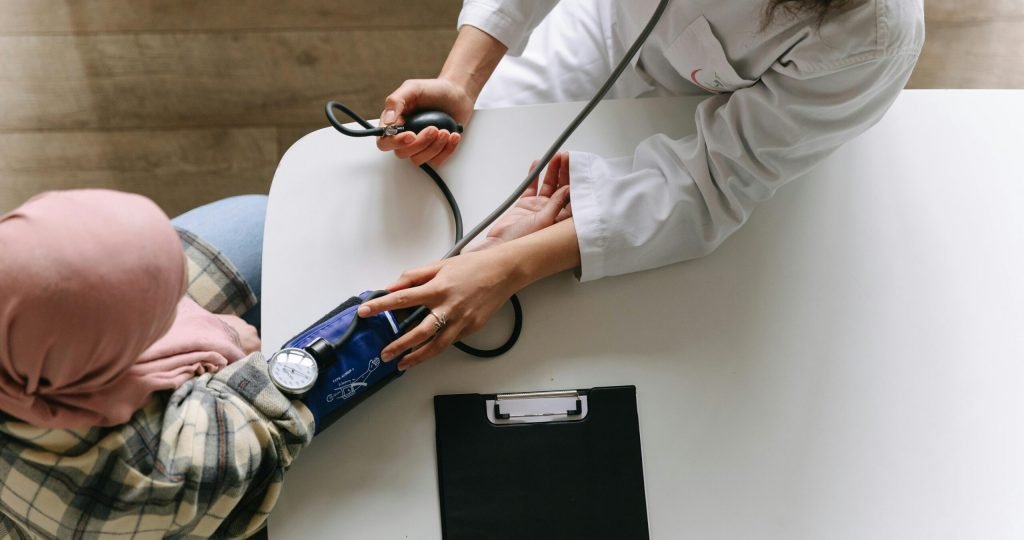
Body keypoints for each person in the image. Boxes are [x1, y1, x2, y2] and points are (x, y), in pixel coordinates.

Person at [360, 0, 925, 369]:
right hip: (603, 26)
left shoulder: (870, 34)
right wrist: (461, 79)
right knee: (461, 178)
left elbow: (715, 182)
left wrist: (510, 267)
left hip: (733, 112)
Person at [0, 190, 310, 539]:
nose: (180, 308)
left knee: (260, 218)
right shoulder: (136, 477)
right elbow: (262, 437)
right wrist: (231, 344)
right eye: (164, 317)